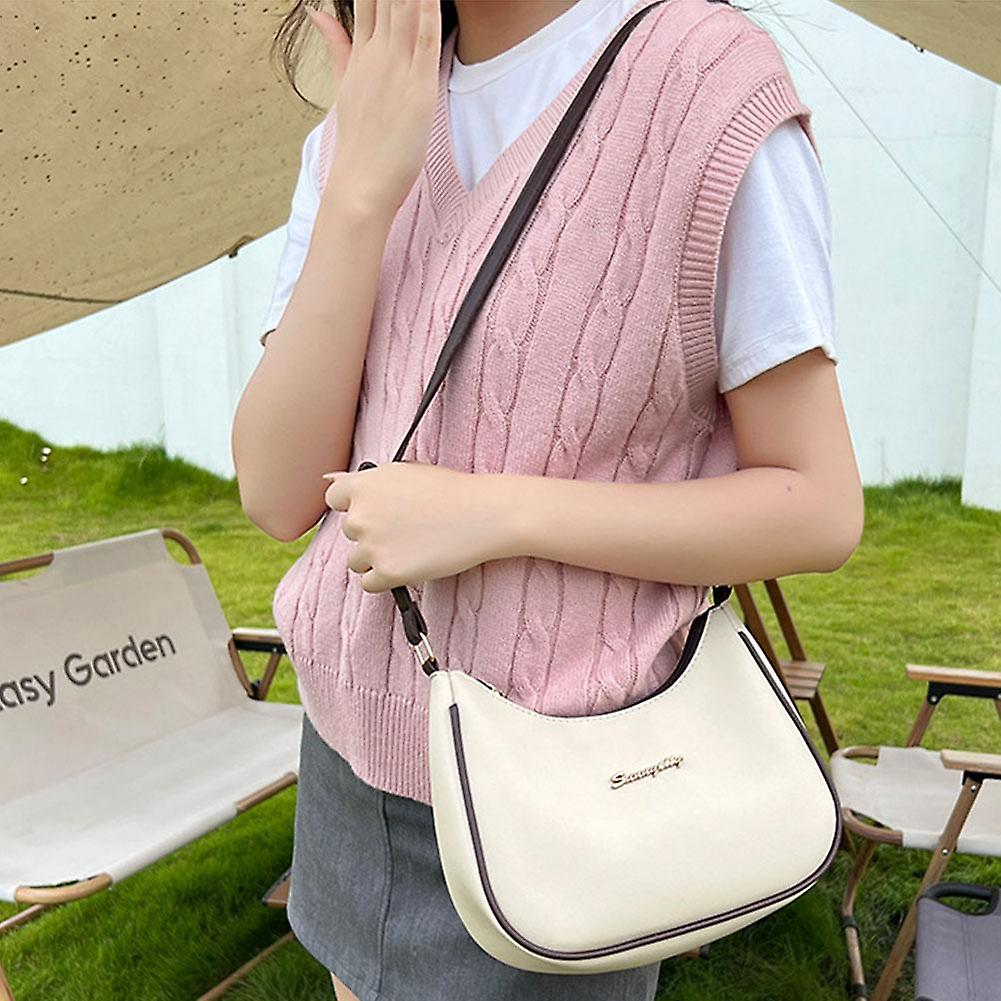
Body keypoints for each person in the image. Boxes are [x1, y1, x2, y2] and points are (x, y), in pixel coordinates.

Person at [231, 1, 864, 999]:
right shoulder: (371, 106)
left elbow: (815, 505)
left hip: (570, 780)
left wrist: (497, 513)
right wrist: (357, 194)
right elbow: (274, 491)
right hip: (350, 749)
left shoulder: (701, 85)